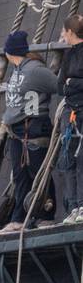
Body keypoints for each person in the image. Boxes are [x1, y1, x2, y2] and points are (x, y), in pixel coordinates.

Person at [0, 29, 57, 233]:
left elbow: (57, 86)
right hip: (17, 131)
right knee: (20, 175)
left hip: (33, 127)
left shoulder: (35, 70)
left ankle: (45, 216)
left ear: (10, 52)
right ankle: (19, 218)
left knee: (39, 173)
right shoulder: (18, 69)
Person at [57, 14, 83, 223]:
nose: (63, 35)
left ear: (71, 32)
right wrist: (71, 83)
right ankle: (73, 206)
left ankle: (82, 205)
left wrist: (72, 82)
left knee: (81, 158)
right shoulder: (69, 56)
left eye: (64, 31)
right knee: (68, 160)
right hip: (71, 113)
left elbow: (67, 83)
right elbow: (59, 86)